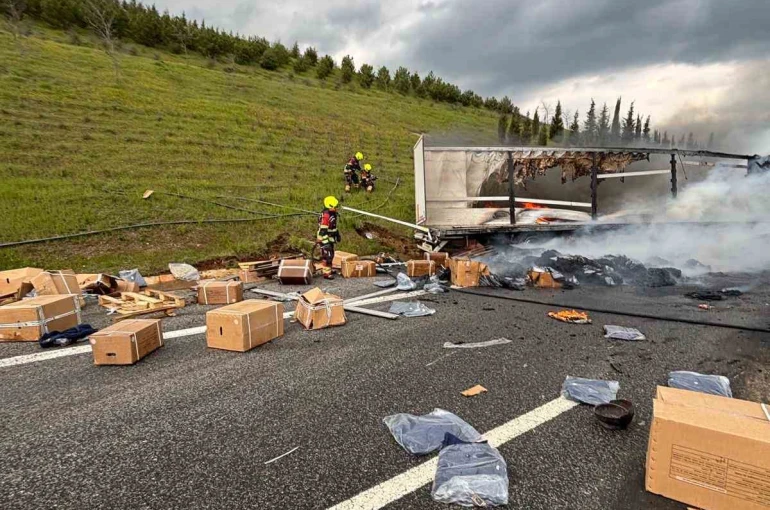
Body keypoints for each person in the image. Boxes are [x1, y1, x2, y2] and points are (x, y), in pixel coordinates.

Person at [317, 196, 340, 279]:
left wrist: (337, 234)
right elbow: (323, 228)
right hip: (324, 238)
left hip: (330, 238)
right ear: (330, 206)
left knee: (331, 254)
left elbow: (333, 227)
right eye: (335, 206)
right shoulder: (326, 216)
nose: (337, 208)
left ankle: (329, 269)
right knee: (327, 255)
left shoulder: (332, 214)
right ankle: (326, 273)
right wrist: (320, 238)